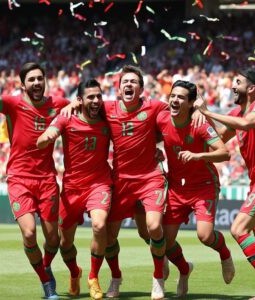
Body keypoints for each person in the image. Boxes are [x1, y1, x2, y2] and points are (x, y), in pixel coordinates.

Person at [194, 67, 255, 300]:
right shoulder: (237, 113)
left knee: (238, 229)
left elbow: (248, 124)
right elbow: (218, 139)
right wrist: (198, 118)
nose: (232, 86)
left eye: (237, 82)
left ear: (251, 88)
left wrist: (209, 111)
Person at [0, 62, 71, 299]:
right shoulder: (13, 103)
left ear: (45, 80)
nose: (36, 83)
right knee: (29, 234)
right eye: (31, 80)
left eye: (40, 78)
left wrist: (78, 102)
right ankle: (46, 282)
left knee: (53, 239)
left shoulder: (57, 104)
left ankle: (45, 264)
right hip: (19, 179)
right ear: (23, 85)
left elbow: (84, 107)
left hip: (47, 180)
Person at [156, 80, 235, 298]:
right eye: (173, 96)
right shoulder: (162, 119)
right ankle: (184, 269)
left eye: (181, 97)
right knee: (166, 242)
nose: (175, 100)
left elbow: (225, 153)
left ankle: (225, 254)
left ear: (191, 103)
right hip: (176, 188)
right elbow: (149, 138)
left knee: (204, 235)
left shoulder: (200, 123)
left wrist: (198, 155)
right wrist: (154, 153)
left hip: (203, 186)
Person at [37, 78, 112, 300]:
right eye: (91, 97)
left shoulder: (108, 118)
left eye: (99, 96)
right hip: (72, 187)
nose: (96, 100)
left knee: (99, 226)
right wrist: (47, 137)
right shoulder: (67, 118)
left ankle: (93, 277)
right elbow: (45, 136)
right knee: (64, 242)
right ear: (80, 100)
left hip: (100, 182)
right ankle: (74, 272)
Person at [103, 65, 169, 300]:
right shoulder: (106, 109)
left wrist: (199, 109)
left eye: (134, 82)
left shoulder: (155, 107)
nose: (129, 85)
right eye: (125, 82)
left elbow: (175, 121)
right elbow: (84, 111)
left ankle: (158, 277)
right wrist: (72, 104)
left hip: (150, 178)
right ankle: (115, 278)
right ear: (118, 89)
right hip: (120, 181)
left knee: (152, 228)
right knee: (110, 237)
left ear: (141, 89)